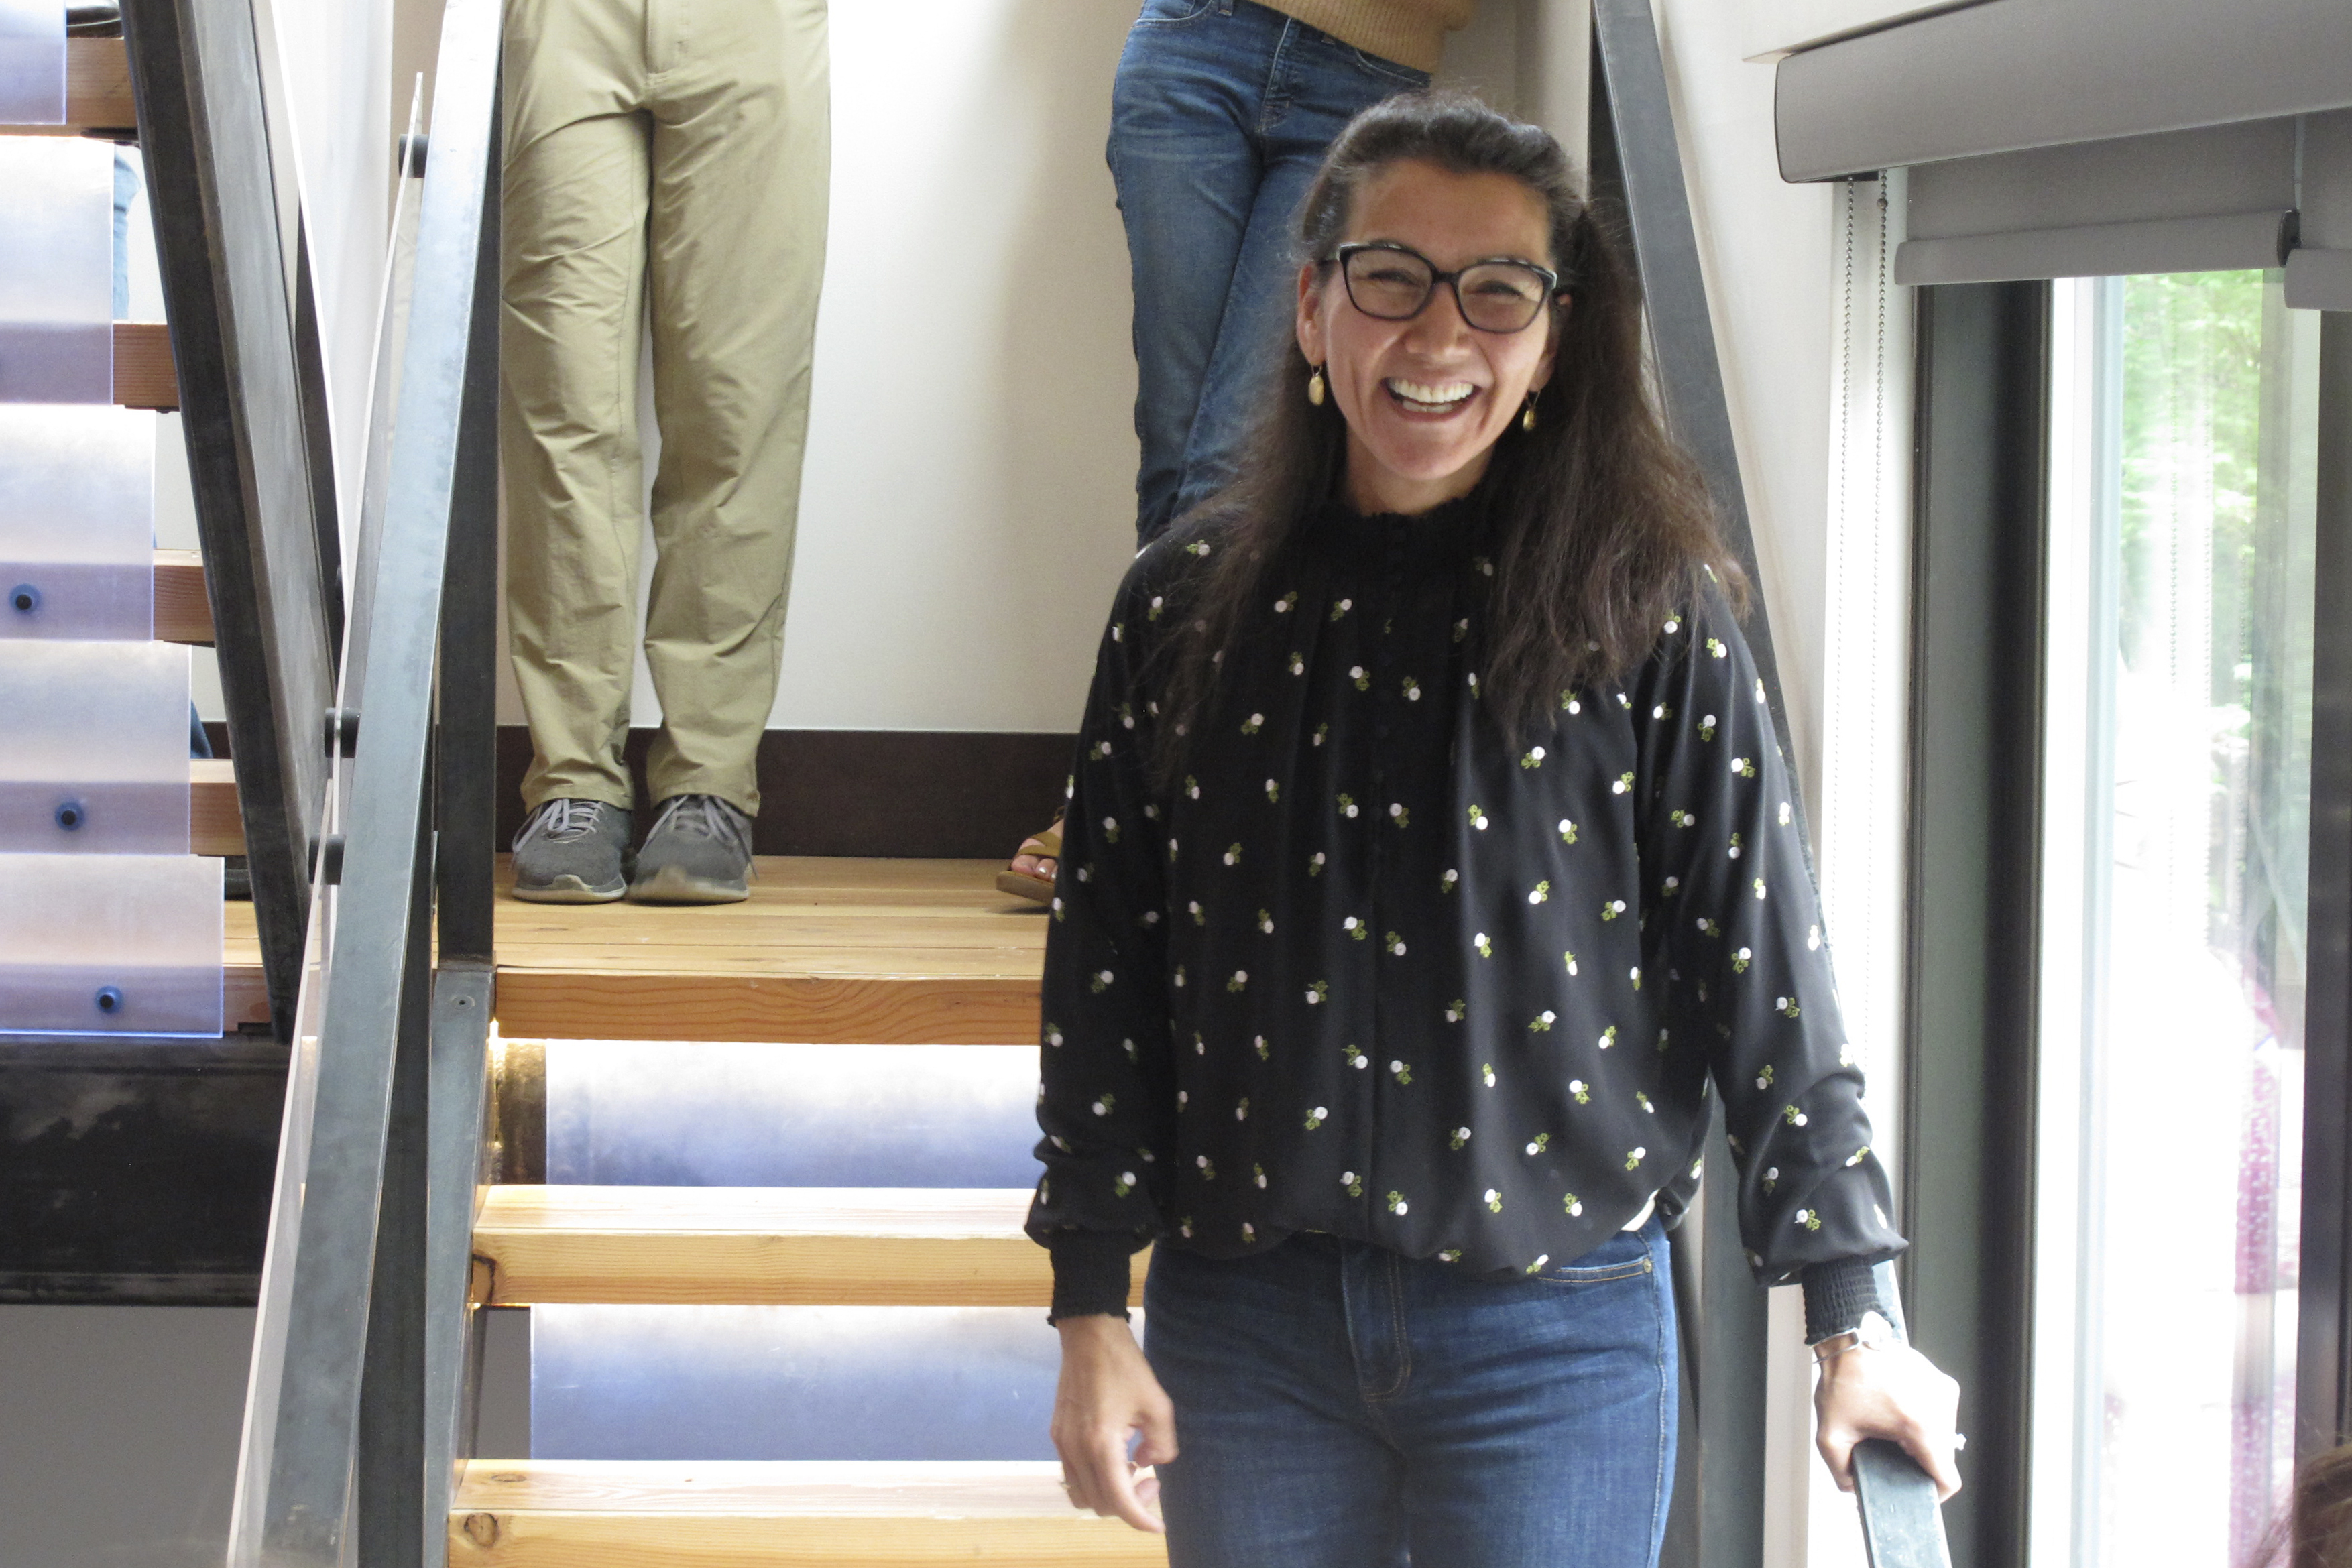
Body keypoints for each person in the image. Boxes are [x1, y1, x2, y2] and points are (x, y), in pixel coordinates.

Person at [1026, 93, 1962, 1565]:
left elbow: (1764, 973)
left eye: (1498, 291)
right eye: (1390, 276)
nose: (1438, 336)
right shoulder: (1181, 602)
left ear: (1552, 338)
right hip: (1246, 1325)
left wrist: (1855, 1316)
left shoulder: (1650, 611)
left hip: (1559, 1331)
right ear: (1309, 304)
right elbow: (1105, 979)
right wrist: (1090, 1302)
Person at [1000, 0, 1477, 904]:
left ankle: (1132, 797)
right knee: (1177, 449)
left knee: (1231, 455)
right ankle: (1189, 791)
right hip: (1191, 40)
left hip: (1365, 83)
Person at [500, 0, 829, 904]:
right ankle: (572, 784)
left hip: (753, 24)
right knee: (564, 404)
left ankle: (708, 783)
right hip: (568, 20)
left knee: (738, 406)